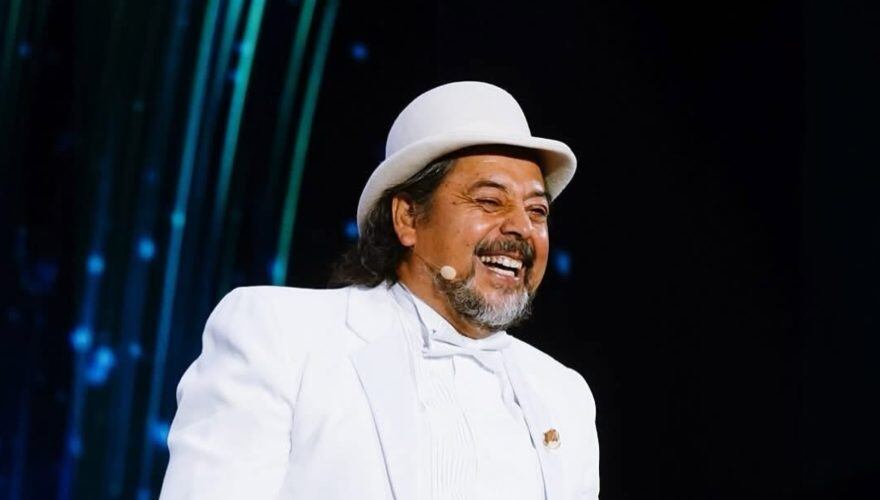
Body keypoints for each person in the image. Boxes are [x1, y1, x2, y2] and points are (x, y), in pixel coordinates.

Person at [159, 81, 599, 500]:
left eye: (537, 211)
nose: (521, 227)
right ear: (408, 217)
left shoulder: (563, 394)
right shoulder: (280, 335)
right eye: (489, 201)